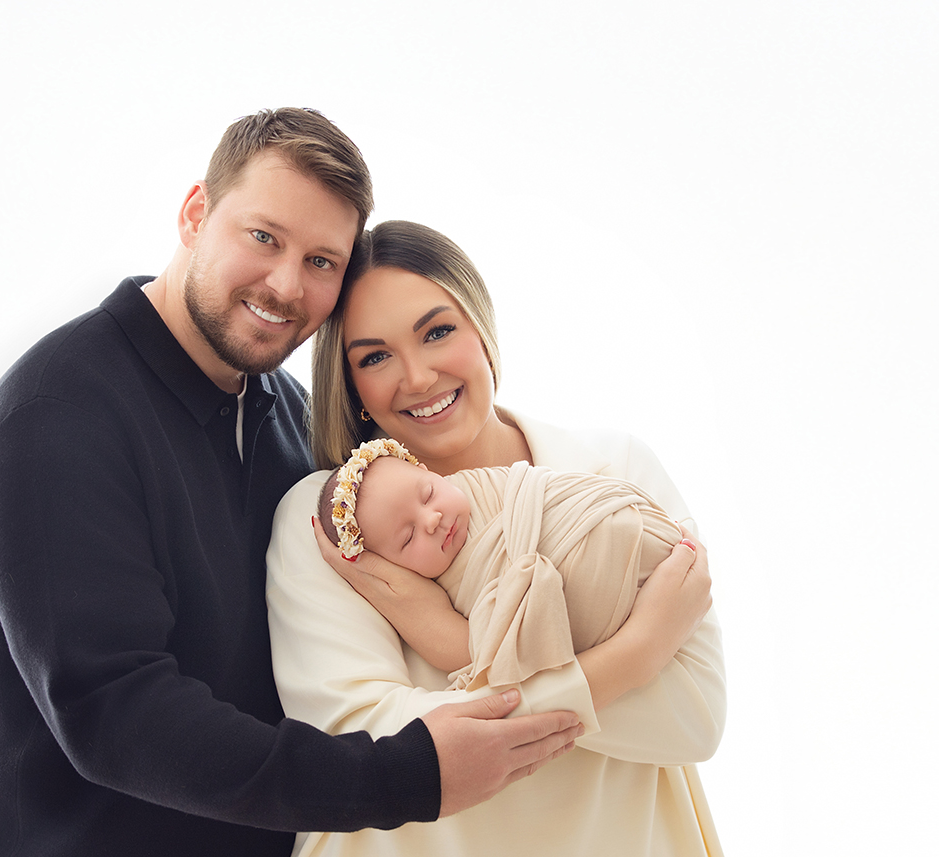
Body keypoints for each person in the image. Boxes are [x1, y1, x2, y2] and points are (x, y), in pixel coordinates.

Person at [0, 110, 584, 857]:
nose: (286, 284)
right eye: (263, 237)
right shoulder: (57, 414)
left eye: (322, 261)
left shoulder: (291, 417)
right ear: (196, 214)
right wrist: (407, 774)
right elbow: (114, 714)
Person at [266, 220, 725, 855]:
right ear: (352, 387)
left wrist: (455, 644)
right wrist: (637, 654)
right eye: (374, 356)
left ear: (481, 327)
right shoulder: (332, 519)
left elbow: (694, 720)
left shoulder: (613, 469)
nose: (418, 377)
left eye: (437, 332)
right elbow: (365, 745)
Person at [317, 437, 691, 692]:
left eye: (428, 493)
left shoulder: (484, 485)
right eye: (408, 537)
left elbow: (540, 488)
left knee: (619, 531)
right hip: (611, 586)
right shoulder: (434, 593)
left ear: (431, 473)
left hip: (610, 515)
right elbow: (487, 650)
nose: (432, 520)